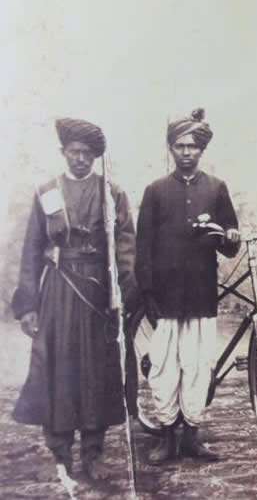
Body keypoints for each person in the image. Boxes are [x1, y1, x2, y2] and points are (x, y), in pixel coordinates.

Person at [11, 118, 139, 480]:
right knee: (57, 367)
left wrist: (126, 294)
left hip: (98, 293)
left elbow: (126, 246)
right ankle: (61, 449)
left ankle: (93, 452)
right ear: (63, 153)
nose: (80, 159)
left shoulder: (112, 193)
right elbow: (33, 249)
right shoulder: (48, 192)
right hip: (58, 291)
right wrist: (29, 306)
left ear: (96, 156)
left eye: (88, 153)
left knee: (97, 369)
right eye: (74, 152)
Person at [136, 108, 240, 464]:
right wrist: (148, 293)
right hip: (165, 297)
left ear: (201, 150)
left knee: (197, 366)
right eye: (179, 146)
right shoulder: (155, 191)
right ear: (171, 149)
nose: (186, 152)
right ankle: (166, 436)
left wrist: (232, 237)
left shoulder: (216, 189)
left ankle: (191, 436)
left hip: (200, 294)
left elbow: (229, 243)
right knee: (164, 366)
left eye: (192, 146)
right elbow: (143, 247)